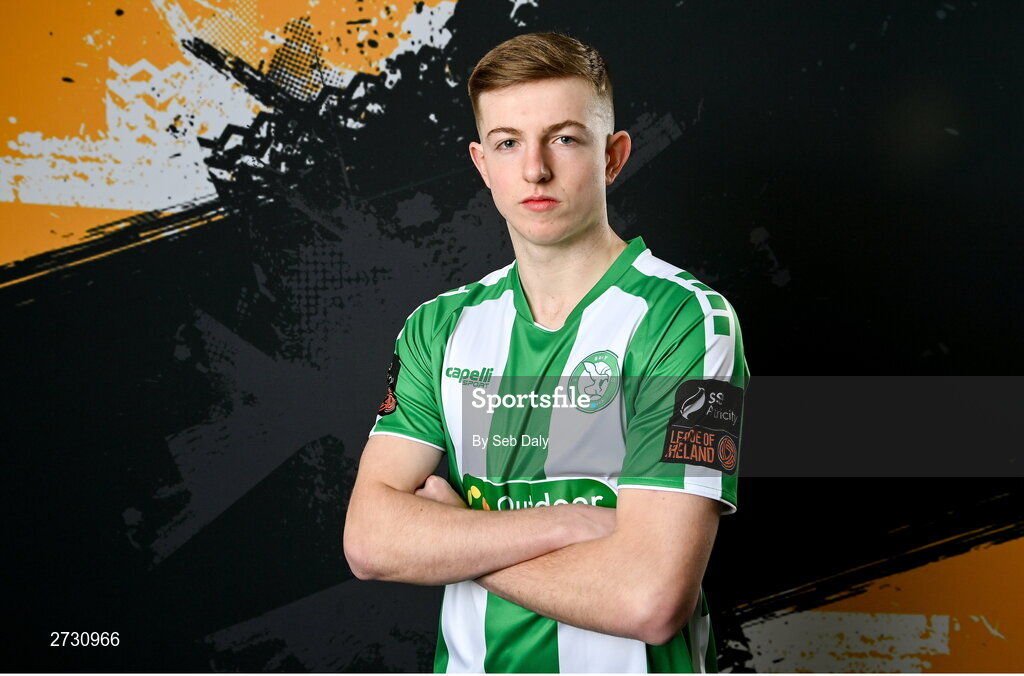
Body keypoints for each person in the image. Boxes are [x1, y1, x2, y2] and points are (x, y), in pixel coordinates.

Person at [343, 32, 749, 673]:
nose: (535, 169)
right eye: (508, 143)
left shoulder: (688, 322)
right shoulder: (438, 328)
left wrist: (458, 541)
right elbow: (370, 542)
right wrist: (567, 523)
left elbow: (650, 600)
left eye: (564, 138)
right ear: (482, 163)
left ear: (613, 156)